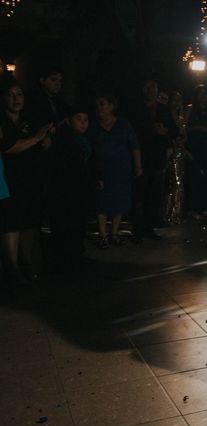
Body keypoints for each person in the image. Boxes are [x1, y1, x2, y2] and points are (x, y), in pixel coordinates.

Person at [0, 76, 52, 285]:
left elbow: (45, 143)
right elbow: (10, 147)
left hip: (31, 179)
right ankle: (11, 268)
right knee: (11, 223)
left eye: (19, 94)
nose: (16, 99)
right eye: (10, 95)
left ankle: (26, 264)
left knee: (30, 221)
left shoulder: (29, 119)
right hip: (9, 180)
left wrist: (45, 137)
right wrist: (37, 138)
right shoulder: (2, 121)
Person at [88, 94, 142, 249]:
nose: (99, 108)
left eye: (102, 104)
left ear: (111, 106)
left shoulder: (123, 124)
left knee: (119, 200)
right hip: (101, 170)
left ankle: (114, 232)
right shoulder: (93, 126)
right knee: (101, 201)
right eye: (97, 105)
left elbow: (134, 145)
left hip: (121, 169)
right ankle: (103, 235)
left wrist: (138, 166)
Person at [48, 105, 95, 269]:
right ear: (69, 120)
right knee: (68, 223)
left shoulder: (83, 139)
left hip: (80, 188)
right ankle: (66, 258)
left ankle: (76, 254)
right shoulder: (63, 140)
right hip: (67, 190)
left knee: (78, 223)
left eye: (86, 120)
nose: (83, 123)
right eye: (78, 119)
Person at [130, 78, 169, 240]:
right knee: (139, 194)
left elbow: (172, 129)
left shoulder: (163, 109)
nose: (150, 90)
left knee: (154, 194)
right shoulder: (136, 109)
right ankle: (138, 229)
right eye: (147, 87)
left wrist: (165, 131)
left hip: (157, 157)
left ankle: (149, 227)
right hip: (141, 156)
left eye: (153, 86)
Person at [184, 85, 207, 218]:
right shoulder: (190, 109)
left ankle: (205, 206)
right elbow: (184, 128)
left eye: (205, 94)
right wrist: (199, 128)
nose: (203, 97)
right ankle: (192, 208)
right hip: (194, 147)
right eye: (200, 94)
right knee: (193, 177)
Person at [162, 91, 187, 225]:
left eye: (179, 100)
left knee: (178, 185)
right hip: (169, 151)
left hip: (179, 153)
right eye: (174, 100)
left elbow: (184, 135)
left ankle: (176, 214)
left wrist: (181, 141)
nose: (177, 103)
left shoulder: (181, 118)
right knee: (170, 183)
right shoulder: (166, 116)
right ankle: (166, 214)